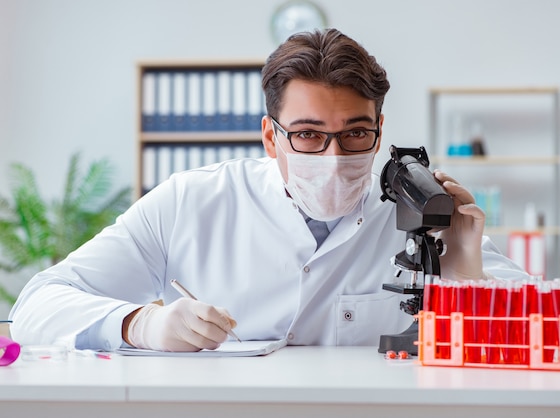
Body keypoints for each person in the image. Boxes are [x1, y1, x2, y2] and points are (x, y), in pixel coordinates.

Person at [9, 28, 526, 352]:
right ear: (269, 136)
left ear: (380, 132)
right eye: (307, 134)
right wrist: (139, 324)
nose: (333, 156)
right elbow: (36, 305)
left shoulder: (422, 211)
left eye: (354, 134)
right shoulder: (190, 201)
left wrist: (465, 274)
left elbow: (540, 331)